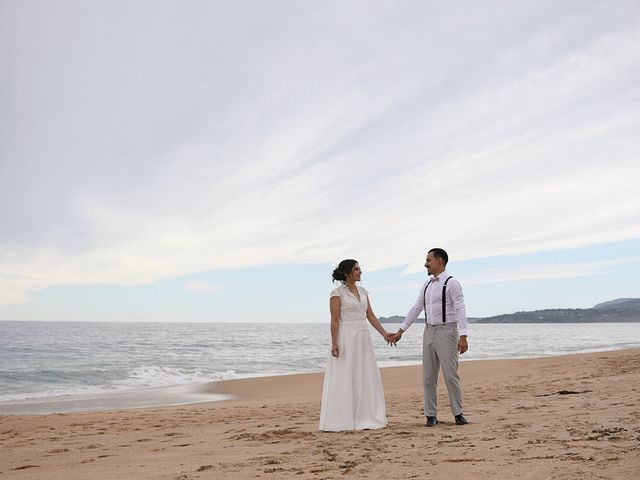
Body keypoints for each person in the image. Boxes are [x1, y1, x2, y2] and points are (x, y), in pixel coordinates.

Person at [388, 248, 469, 427]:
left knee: (450, 375)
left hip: (448, 331)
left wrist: (463, 335)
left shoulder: (452, 283)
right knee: (428, 376)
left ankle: (458, 413)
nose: (426, 263)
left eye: (428, 260)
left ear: (439, 261)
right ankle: (430, 416)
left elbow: (460, 308)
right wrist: (401, 331)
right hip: (428, 331)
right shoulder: (427, 285)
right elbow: (417, 308)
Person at [319, 259, 391, 431]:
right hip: (346, 338)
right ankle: (342, 418)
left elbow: (371, 316)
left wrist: (384, 334)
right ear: (347, 273)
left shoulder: (364, 292)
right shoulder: (337, 294)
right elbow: (335, 320)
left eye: (359, 269)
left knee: (363, 375)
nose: (360, 272)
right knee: (346, 376)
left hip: (363, 338)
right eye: (357, 269)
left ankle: (365, 416)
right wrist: (334, 343)